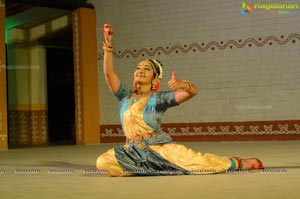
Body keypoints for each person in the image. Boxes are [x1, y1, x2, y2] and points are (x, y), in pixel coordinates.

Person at [96, 24, 264, 176]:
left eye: (147, 69)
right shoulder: (125, 96)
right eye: (138, 68)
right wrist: (108, 47)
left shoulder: (159, 99)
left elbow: (192, 92)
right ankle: (152, 168)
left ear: (155, 79)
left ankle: (239, 163)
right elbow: (108, 74)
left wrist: (182, 84)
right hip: (131, 150)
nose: (140, 70)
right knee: (102, 163)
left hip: (159, 148)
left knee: (200, 163)